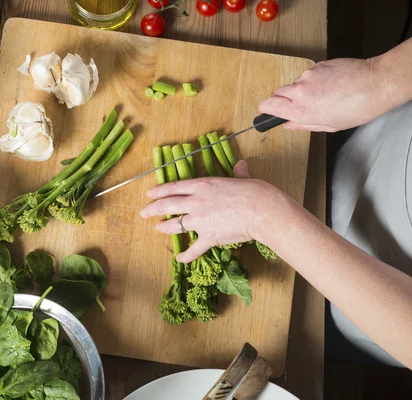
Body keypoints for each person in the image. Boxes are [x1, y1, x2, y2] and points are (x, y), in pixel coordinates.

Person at [140, 38, 412, 369]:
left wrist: (266, 217)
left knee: (303, 342)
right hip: (377, 135)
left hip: (356, 295)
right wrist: (384, 77)